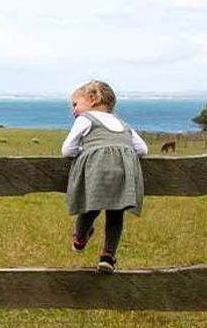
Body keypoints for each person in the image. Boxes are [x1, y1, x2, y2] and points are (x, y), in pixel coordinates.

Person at [62, 80, 147, 273]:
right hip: (123, 174)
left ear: (92, 99)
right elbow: (143, 149)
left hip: (97, 170)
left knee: (89, 208)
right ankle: (108, 256)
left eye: (75, 104)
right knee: (116, 215)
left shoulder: (86, 119)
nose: (73, 110)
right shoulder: (123, 124)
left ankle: (80, 237)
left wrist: (86, 151)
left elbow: (67, 149)